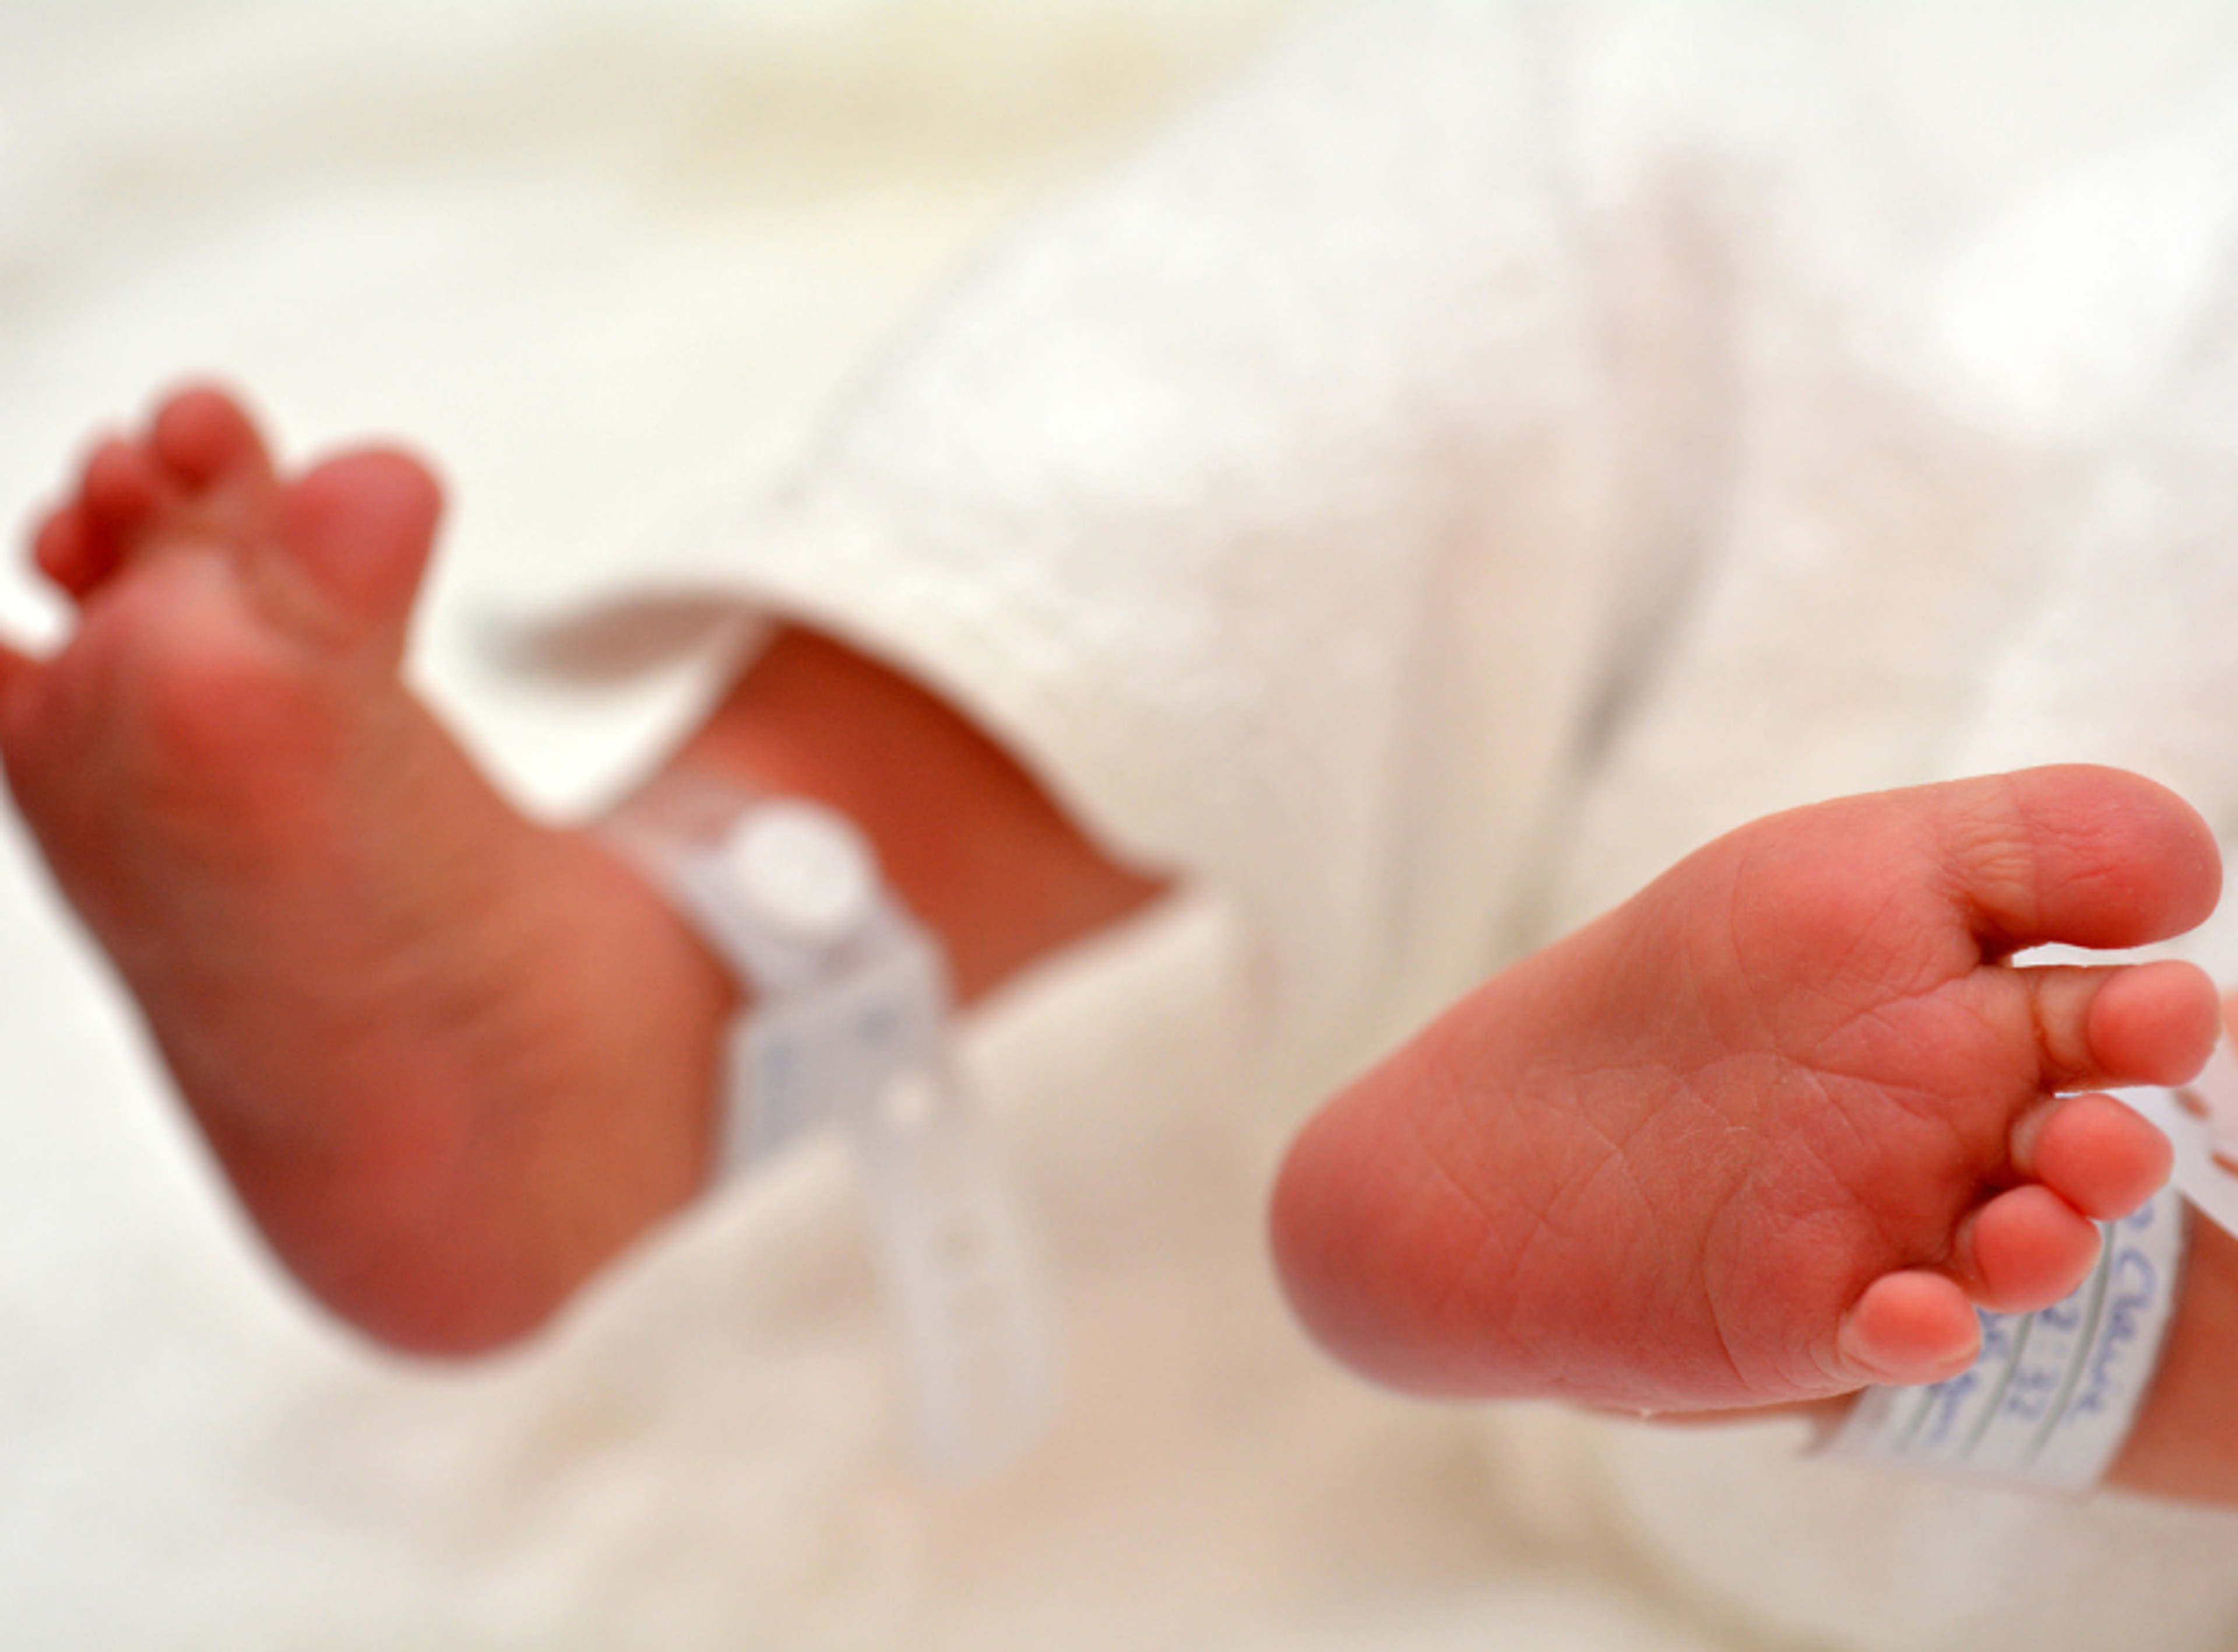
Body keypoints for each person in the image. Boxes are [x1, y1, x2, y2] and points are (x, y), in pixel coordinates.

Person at [10, 374, 2238, 1501]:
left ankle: (2118, 1336)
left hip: (2106, 1131)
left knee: (1564, 191)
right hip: (2003, 507)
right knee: (1600, 125)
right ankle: (677, 970)